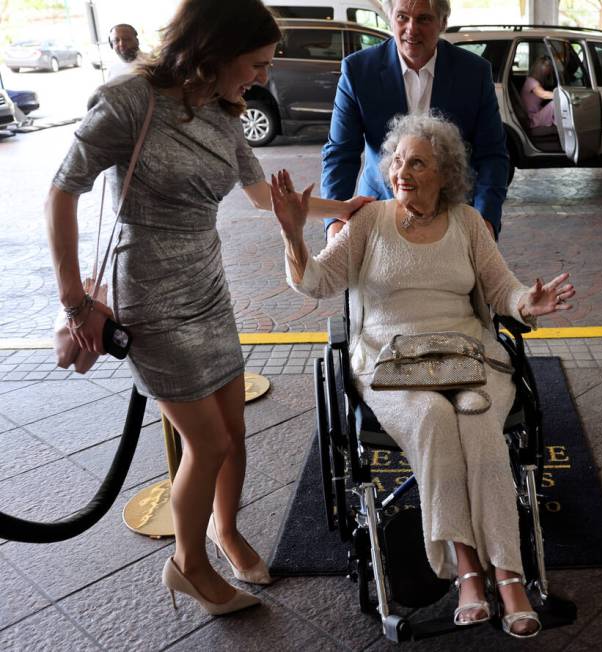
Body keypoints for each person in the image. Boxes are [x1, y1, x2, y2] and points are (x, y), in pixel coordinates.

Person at [47, 0, 367, 616]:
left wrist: (340, 209)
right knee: (209, 442)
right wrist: (74, 302)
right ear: (214, 51)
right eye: (256, 63)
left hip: (208, 287)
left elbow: (259, 194)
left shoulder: (223, 108)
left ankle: (225, 530)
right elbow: (62, 192)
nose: (264, 78)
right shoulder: (129, 102)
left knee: (235, 431)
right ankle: (187, 565)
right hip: (150, 298)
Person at [272, 113, 575, 638]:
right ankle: (467, 571)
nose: (401, 171)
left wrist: (530, 301)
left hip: (468, 351)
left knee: (479, 423)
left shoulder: (468, 223)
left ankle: (509, 575)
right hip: (389, 358)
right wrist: (293, 235)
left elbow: (503, 290)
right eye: (396, 160)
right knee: (433, 419)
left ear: (445, 172)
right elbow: (317, 282)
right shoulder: (367, 222)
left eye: (417, 162)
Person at [321, 0, 508, 240]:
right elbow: (340, 154)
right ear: (390, 18)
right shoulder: (358, 71)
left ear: (443, 22)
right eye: (402, 17)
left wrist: (486, 222)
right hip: (381, 214)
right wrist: (335, 221)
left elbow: (492, 155)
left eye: (423, 19)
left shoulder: (474, 73)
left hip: (452, 220)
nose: (411, 28)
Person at [520, 56, 555, 128]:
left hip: (535, 114)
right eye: (548, 70)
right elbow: (543, 94)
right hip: (532, 118)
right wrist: (561, 95)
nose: (549, 73)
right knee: (556, 103)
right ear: (540, 69)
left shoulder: (532, 80)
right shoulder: (531, 81)